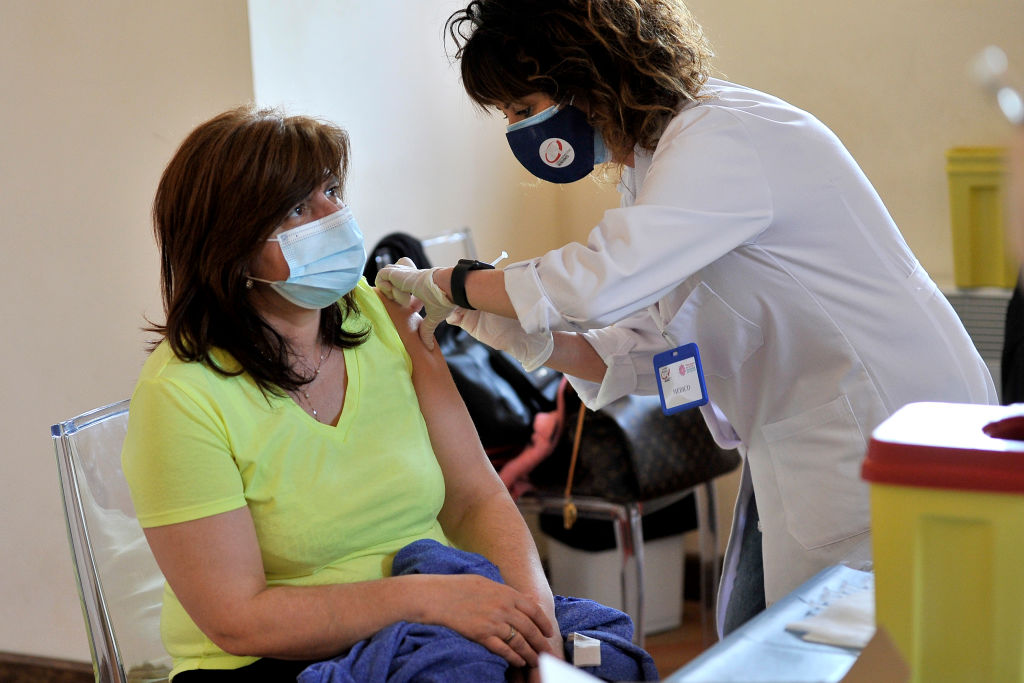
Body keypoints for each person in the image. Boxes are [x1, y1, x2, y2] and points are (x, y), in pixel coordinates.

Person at [376, 0, 999, 636]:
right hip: (808, 437)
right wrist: (522, 337)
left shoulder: (723, 136)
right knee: (763, 635)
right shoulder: (653, 169)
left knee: (862, 650)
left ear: (587, 73)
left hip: (880, 426)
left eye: (522, 108)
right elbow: (659, 347)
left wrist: (453, 281)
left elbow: (597, 283)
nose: (517, 131)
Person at [120, 106, 565, 681]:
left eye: (332, 191)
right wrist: (427, 600)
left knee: (606, 657)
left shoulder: (383, 317)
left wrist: (538, 629)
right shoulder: (180, 395)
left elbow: (475, 498)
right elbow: (238, 620)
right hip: (270, 660)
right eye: (298, 208)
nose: (335, 216)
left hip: (435, 621)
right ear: (228, 244)